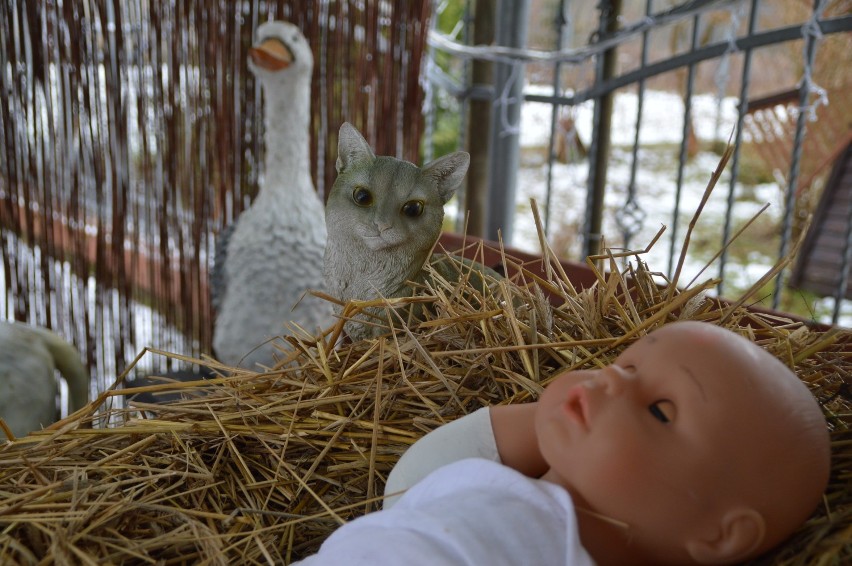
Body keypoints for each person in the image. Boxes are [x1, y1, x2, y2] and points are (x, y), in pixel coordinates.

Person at [293, 321, 831, 565]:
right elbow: (423, 473)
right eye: (625, 364)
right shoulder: (510, 505)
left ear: (720, 536)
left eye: (660, 411)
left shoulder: (518, 522)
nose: (613, 380)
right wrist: (567, 423)